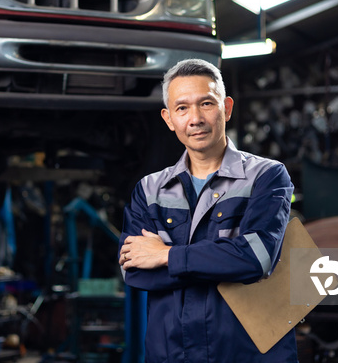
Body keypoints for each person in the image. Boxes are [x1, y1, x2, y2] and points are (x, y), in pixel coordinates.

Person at [118, 59, 297, 362]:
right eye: (182, 108)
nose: (195, 118)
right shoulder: (149, 190)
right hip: (172, 354)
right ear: (168, 118)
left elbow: (256, 258)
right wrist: (224, 262)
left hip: (247, 355)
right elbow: (135, 272)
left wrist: (166, 255)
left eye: (206, 104)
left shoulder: (266, 177)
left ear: (227, 108)